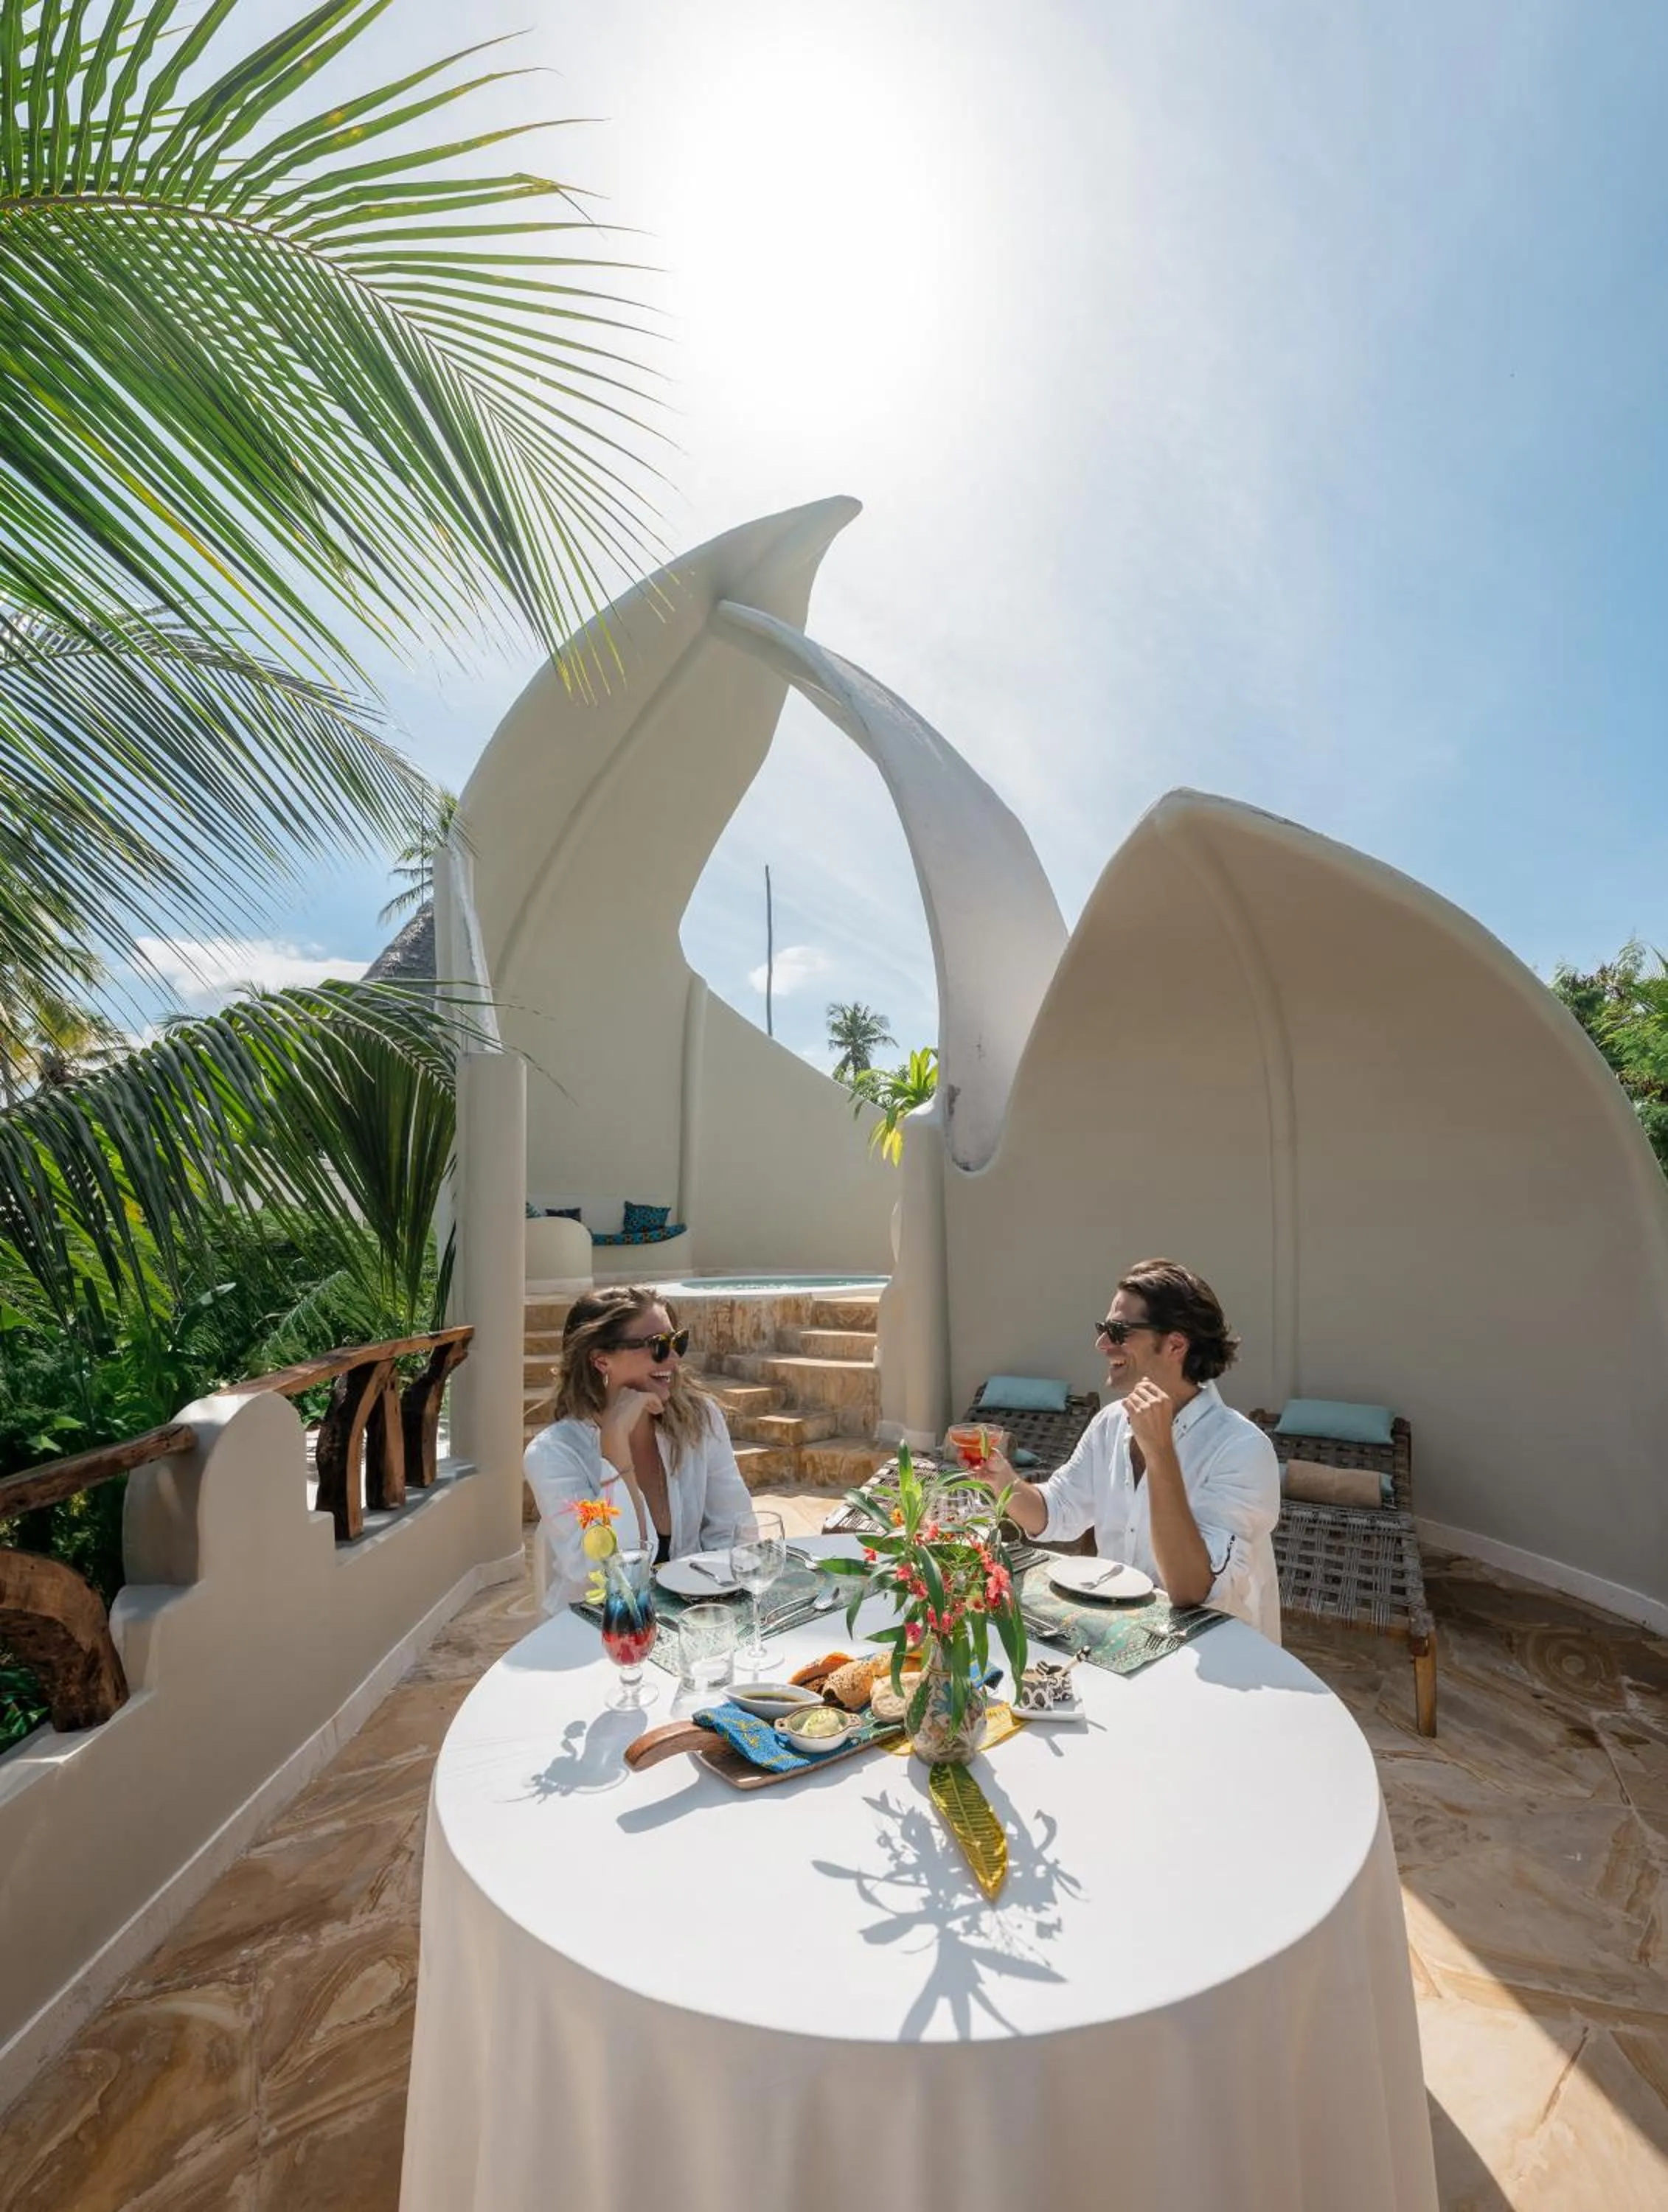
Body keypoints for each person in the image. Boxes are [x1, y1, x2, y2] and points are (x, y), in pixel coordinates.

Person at [993, 1258, 1282, 1641]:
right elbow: (1057, 1511)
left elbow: (1192, 1590)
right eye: (1103, 1329)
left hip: (1217, 1656)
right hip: (1123, 1641)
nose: (1102, 1344)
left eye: (1118, 1331)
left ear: (1175, 1344)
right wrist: (1000, 1477)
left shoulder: (1242, 1449)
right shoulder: (1111, 1423)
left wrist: (1160, 1451)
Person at [525, 1285, 754, 1611]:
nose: (674, 1358)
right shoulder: (553, 1455)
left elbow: (735, 1531)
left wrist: (717, 1604)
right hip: (598, 1625)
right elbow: (600, 1572)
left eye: (677, 1342)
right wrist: (615, 1446)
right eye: (658, 1346)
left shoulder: (700, 1420)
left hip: (692, 1615)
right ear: (601, 1360)